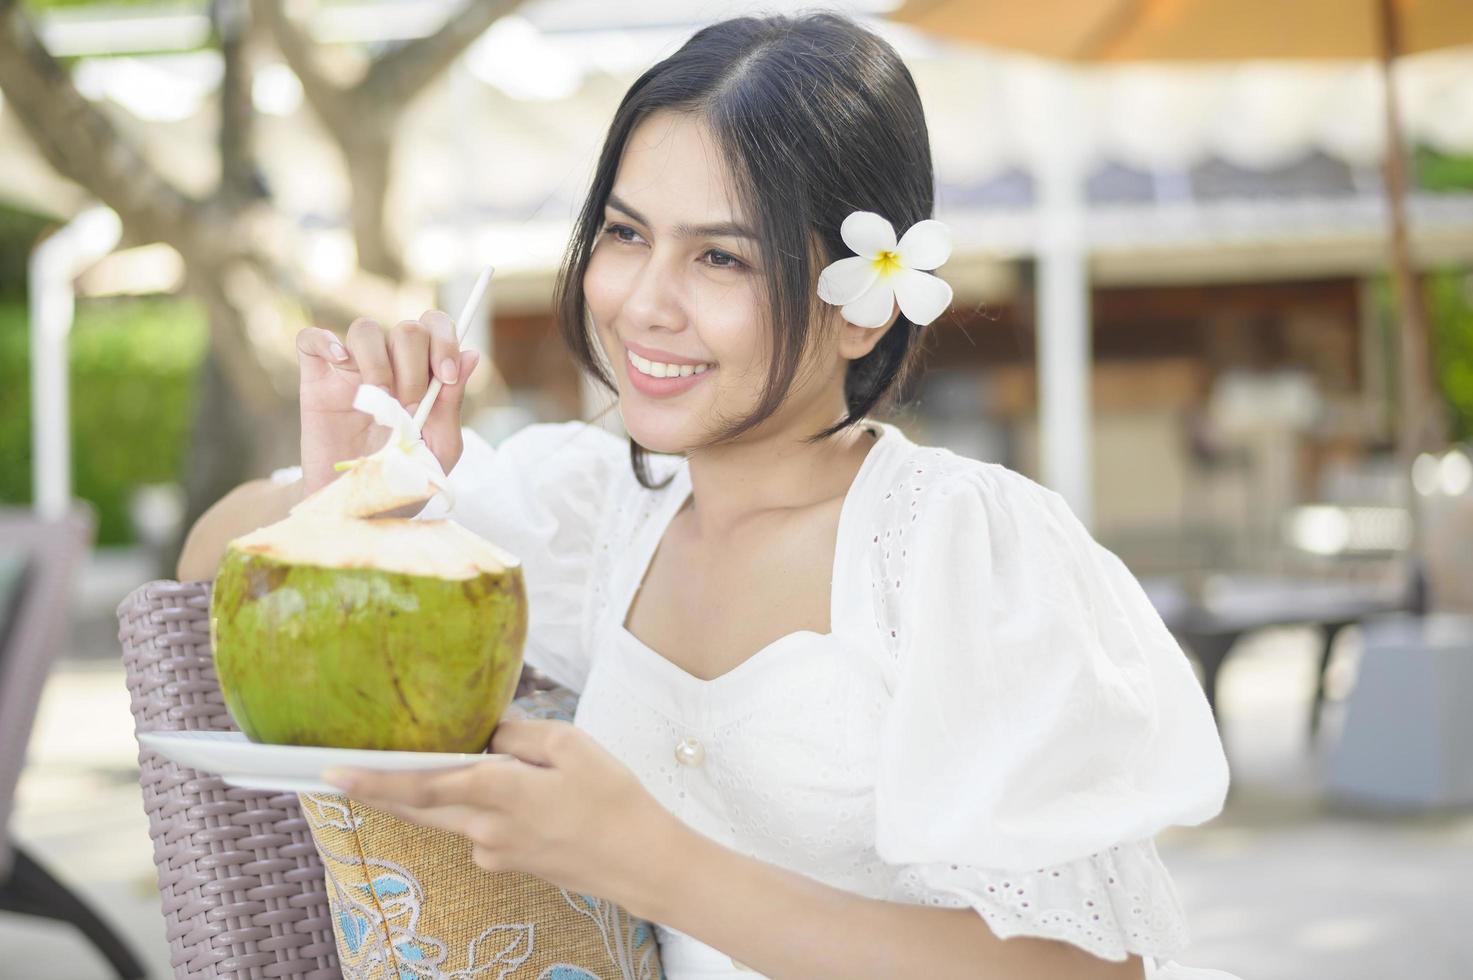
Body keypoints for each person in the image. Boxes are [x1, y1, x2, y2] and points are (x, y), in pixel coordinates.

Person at [179, 12, 1234, 980]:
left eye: (720, 256)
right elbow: (204, 558)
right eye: (627, 233)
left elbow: (1091, 971)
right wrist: (359, 480)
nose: (643, 302)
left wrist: (650, 862)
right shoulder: (606, 515)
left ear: (862, 306)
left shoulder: (954, 547)